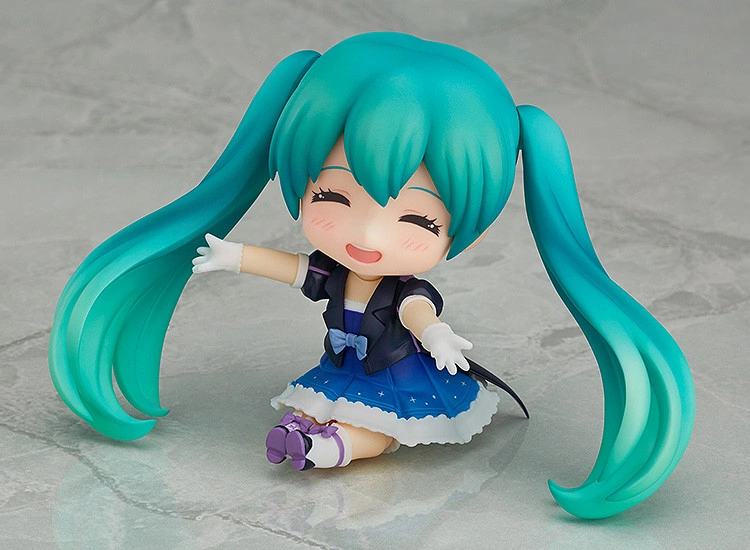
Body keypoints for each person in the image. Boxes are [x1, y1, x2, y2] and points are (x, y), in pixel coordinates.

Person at [49, 32, 695, 519]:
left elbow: (414, 309)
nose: (369, 237)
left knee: (382, 430)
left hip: (398, 376)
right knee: (318, 405)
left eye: (417, 219)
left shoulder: (404, 289)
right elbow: (294, 268)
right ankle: (308, 435)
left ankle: (333, 449)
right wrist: (233, 255)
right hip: (344, 368)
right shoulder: (334, 274)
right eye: (333, 197)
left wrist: (436, 335)